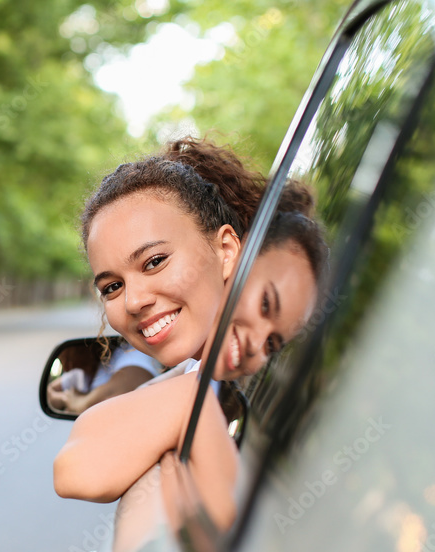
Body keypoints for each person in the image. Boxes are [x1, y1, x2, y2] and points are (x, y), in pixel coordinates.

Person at [53, 147, 328, 529]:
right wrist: (188, 400)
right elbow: (74, 470)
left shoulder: (199, 386)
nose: (133, 301)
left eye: (154, 262)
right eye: (112, 287)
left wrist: (187, 401)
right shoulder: (192, 385)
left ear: (227, 250)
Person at [47, 342, 162, 416]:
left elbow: (111, 397)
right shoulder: (81, 375)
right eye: (63, 363)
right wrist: (65, 399)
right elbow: (49, 392)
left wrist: (77, 401)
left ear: (84, 346)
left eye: (69, 359)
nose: (68, 368)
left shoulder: (132, 351)